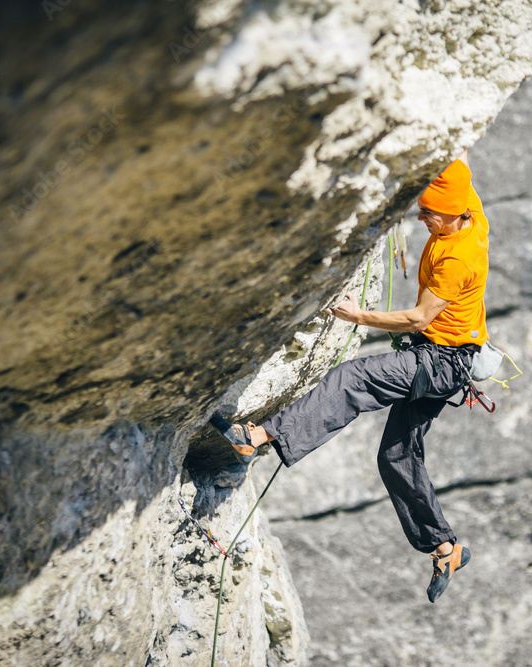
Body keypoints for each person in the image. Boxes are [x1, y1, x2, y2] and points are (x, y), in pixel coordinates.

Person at [211, 150, 490, 602]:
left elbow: (419, 319)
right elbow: (457, 168)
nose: (420, 217)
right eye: (420, 209)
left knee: (352, 380)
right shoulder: (470, 214)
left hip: (439, 361)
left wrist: (358, 316)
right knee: (396, 457)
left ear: (454, 214)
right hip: (449, 359)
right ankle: (445, 547)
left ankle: (257, 436)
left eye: (428, 213)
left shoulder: (460, 257)